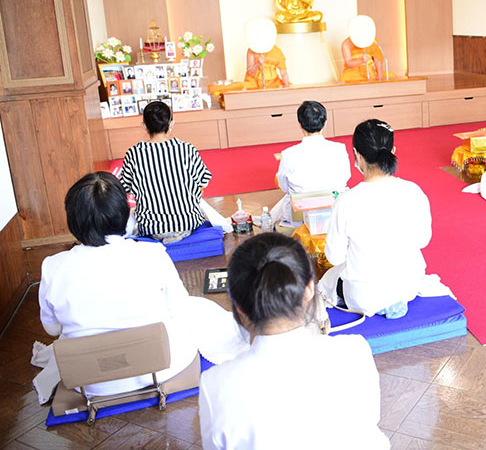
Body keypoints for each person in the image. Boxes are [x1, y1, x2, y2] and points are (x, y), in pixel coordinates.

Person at [38, 172, 245, 397]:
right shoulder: (151, 253)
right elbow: (179, 308)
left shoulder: (52, 267)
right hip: (160, 368)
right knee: (199, 310)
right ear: (123, 213)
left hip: (90, 381)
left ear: (73, 219)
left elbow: (52, 329)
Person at [199, 233, 388, 450]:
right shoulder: (355, 350)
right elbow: (368, 423)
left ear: (239, 307)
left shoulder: (214, 384)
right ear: (309, 290)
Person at [319, 119, 450, 318]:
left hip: (364, 297)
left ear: (357, 155)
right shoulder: (413, 191)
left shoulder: (346, 200)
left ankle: (376, 302)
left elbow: (334, 257)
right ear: (393, 150)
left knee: (328, 280)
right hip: (407, 287)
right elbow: (423, 240)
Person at [119, 101, 229, 242]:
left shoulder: (134, 153)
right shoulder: (186, 149)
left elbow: (125, 188)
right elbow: (204, 181)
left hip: (151, 228)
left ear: (144, 126)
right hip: (188, 224)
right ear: (171, 124)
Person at [270, 101, 351, 228]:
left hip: (301, 213)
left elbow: (284, 186)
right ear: (325, 123)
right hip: (334, 209)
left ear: (299, 124)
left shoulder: (288, 154)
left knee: (289, 196)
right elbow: (346, 177)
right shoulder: (339, 148)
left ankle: (268, 219)